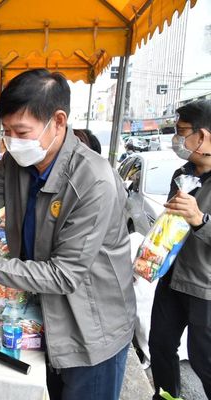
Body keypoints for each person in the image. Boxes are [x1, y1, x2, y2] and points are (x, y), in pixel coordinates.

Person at [0, 69, 136, 400]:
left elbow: (64, 275)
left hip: (92, 328)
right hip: (48, 313)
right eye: (7, 131)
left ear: (58, 122)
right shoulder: (18, 162)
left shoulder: (93, 180)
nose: (13, 141)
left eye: (22, 131)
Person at [148, 100, 211, 400]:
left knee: (204, 361)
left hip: (204, 287)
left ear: (204, 136)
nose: (177, 140)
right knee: (160, 345)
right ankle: (166, 397)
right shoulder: (182, 174)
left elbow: (196, 223)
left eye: (182, 132)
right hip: (171, 278)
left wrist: (200, 220)